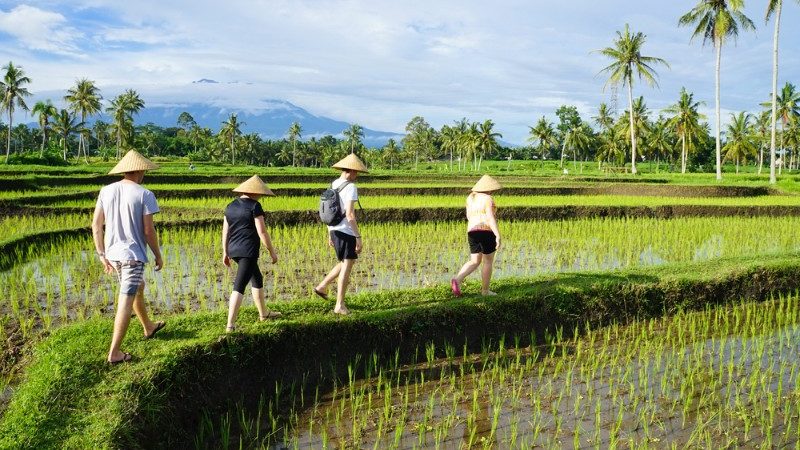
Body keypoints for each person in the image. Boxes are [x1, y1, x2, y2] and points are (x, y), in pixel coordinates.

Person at [92, 150, 166, 364]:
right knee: (126, 300)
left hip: (114, 255)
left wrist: (101, 253)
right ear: (140, 169)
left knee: (138, 287)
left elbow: (96, 225)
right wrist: (158, 255)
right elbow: (148, 231)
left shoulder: (106, 191)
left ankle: (148, 327)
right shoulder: (145, 194)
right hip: (132, 256)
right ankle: (115, 352)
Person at [222, 175, 282, 332]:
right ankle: (230, 325)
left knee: (257, 278)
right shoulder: (255, 206)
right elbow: (262, 232)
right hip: (248, 251)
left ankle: (264, 314)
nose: (261, 195)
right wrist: (272, 252)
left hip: (234, 250)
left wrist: (225, 251)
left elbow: (225, 231)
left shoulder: (230, 206)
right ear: (255, 192)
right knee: (239, 285)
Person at [313, 153, 368, 315]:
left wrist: (330, 233)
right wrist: (358, 237)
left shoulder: (334, 184)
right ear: (350, 171)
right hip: (345, 231)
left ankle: (322, 286)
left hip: (334, 229)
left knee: (345, 262)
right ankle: (339, 305)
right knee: (347, 266)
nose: (356, 176)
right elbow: (350, 214)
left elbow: (328, 210)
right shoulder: (351, 187)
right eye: (356, 172)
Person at [451, 174, 502, 297]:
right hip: (486, 230)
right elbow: (490, 218)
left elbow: (469, 216)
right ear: (489, 189)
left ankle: (457, 279)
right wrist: (497, 234)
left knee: (474, 261)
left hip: (472, 231)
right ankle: (485, 291)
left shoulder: (470, 198)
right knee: (488, 261)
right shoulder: (488, 199)